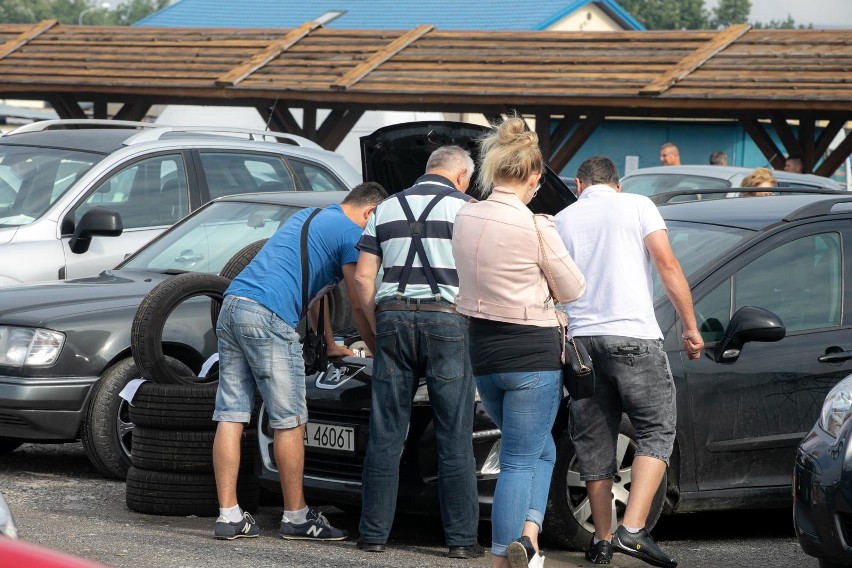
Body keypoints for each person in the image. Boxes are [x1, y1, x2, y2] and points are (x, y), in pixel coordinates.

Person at [211, 182, 387, 541]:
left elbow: (313, 288)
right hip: (269, 318)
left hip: (232, 305)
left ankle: (229, 516)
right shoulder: (353, 233)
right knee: (289, 419)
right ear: (369, 213)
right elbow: (358, 301)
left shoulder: (309, 216)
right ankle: (296, 517)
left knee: (231, 413)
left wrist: (329, 342)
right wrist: (380, 349)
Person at [554, 156, 703, 567]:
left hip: (581, 342)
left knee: (594, 441)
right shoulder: (638, 205)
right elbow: (666, 264)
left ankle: (602, 540)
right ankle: (632, 530)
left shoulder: (562, 219)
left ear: (581, 185)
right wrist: (690, 327)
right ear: (616, 185)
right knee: (656, 430)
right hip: (633, 335)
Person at [452, 117, 586, 568]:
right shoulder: (536, 226)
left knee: (536, 448)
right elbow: (573, 289)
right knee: (517, 461)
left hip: (483, 350)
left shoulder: (465, 215)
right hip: (532, 352)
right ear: (533, 178)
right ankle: (500, 560)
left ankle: (527, 538)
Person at [353, 145, 483, 559]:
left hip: (391, 318)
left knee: (387, 430)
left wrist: (377, 332)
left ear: (428, 170)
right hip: (448, 323)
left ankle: (373, 535)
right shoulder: (469, 208)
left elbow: (361, 280)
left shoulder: (384, 209)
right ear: (461, 176)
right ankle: (462, 542)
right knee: (454, 433)